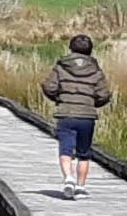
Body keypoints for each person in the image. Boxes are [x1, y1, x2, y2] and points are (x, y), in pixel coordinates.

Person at [43, 33, 112, 198]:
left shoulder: (61, 67)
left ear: (71, 48)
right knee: (84, 152)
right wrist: (93, 104)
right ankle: (81, 187)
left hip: (66, 113)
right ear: (90, 50)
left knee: (66, 149)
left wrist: (58, 98)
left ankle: (68, 178)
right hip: (87, 116)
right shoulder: (95, 70)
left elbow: (49, 87)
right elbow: (104, 94)